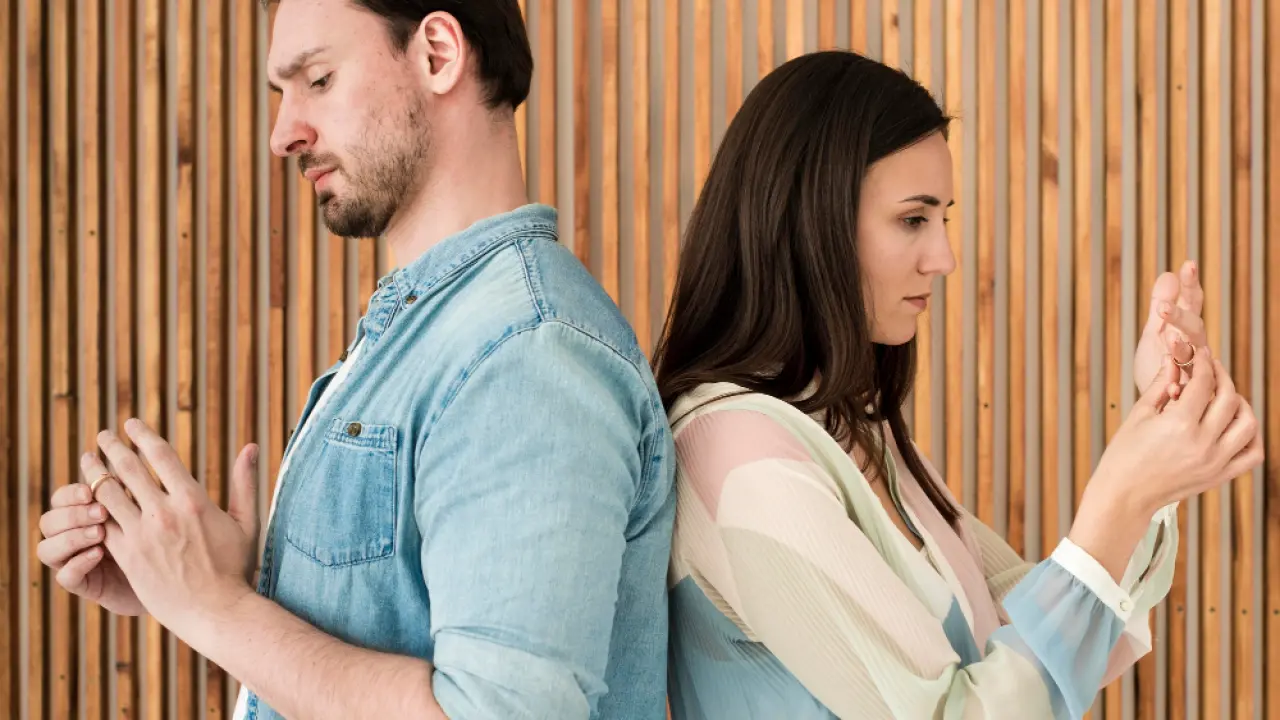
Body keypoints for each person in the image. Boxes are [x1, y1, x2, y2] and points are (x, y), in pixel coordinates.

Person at [34, 2, 675, 718]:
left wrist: (214, 607)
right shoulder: (434, 333)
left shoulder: (526, 355)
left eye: (318, 79)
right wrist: (209, 584)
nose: (283, 133)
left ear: (437, 54)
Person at [653, 51, 1263, 720]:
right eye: (913, 219)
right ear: (810, 222)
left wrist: (1158, 434)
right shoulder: (739, 460)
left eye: (942, 218)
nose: (943, 258)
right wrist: (1123, 497)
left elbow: (1032, 643)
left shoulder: (854, 430)